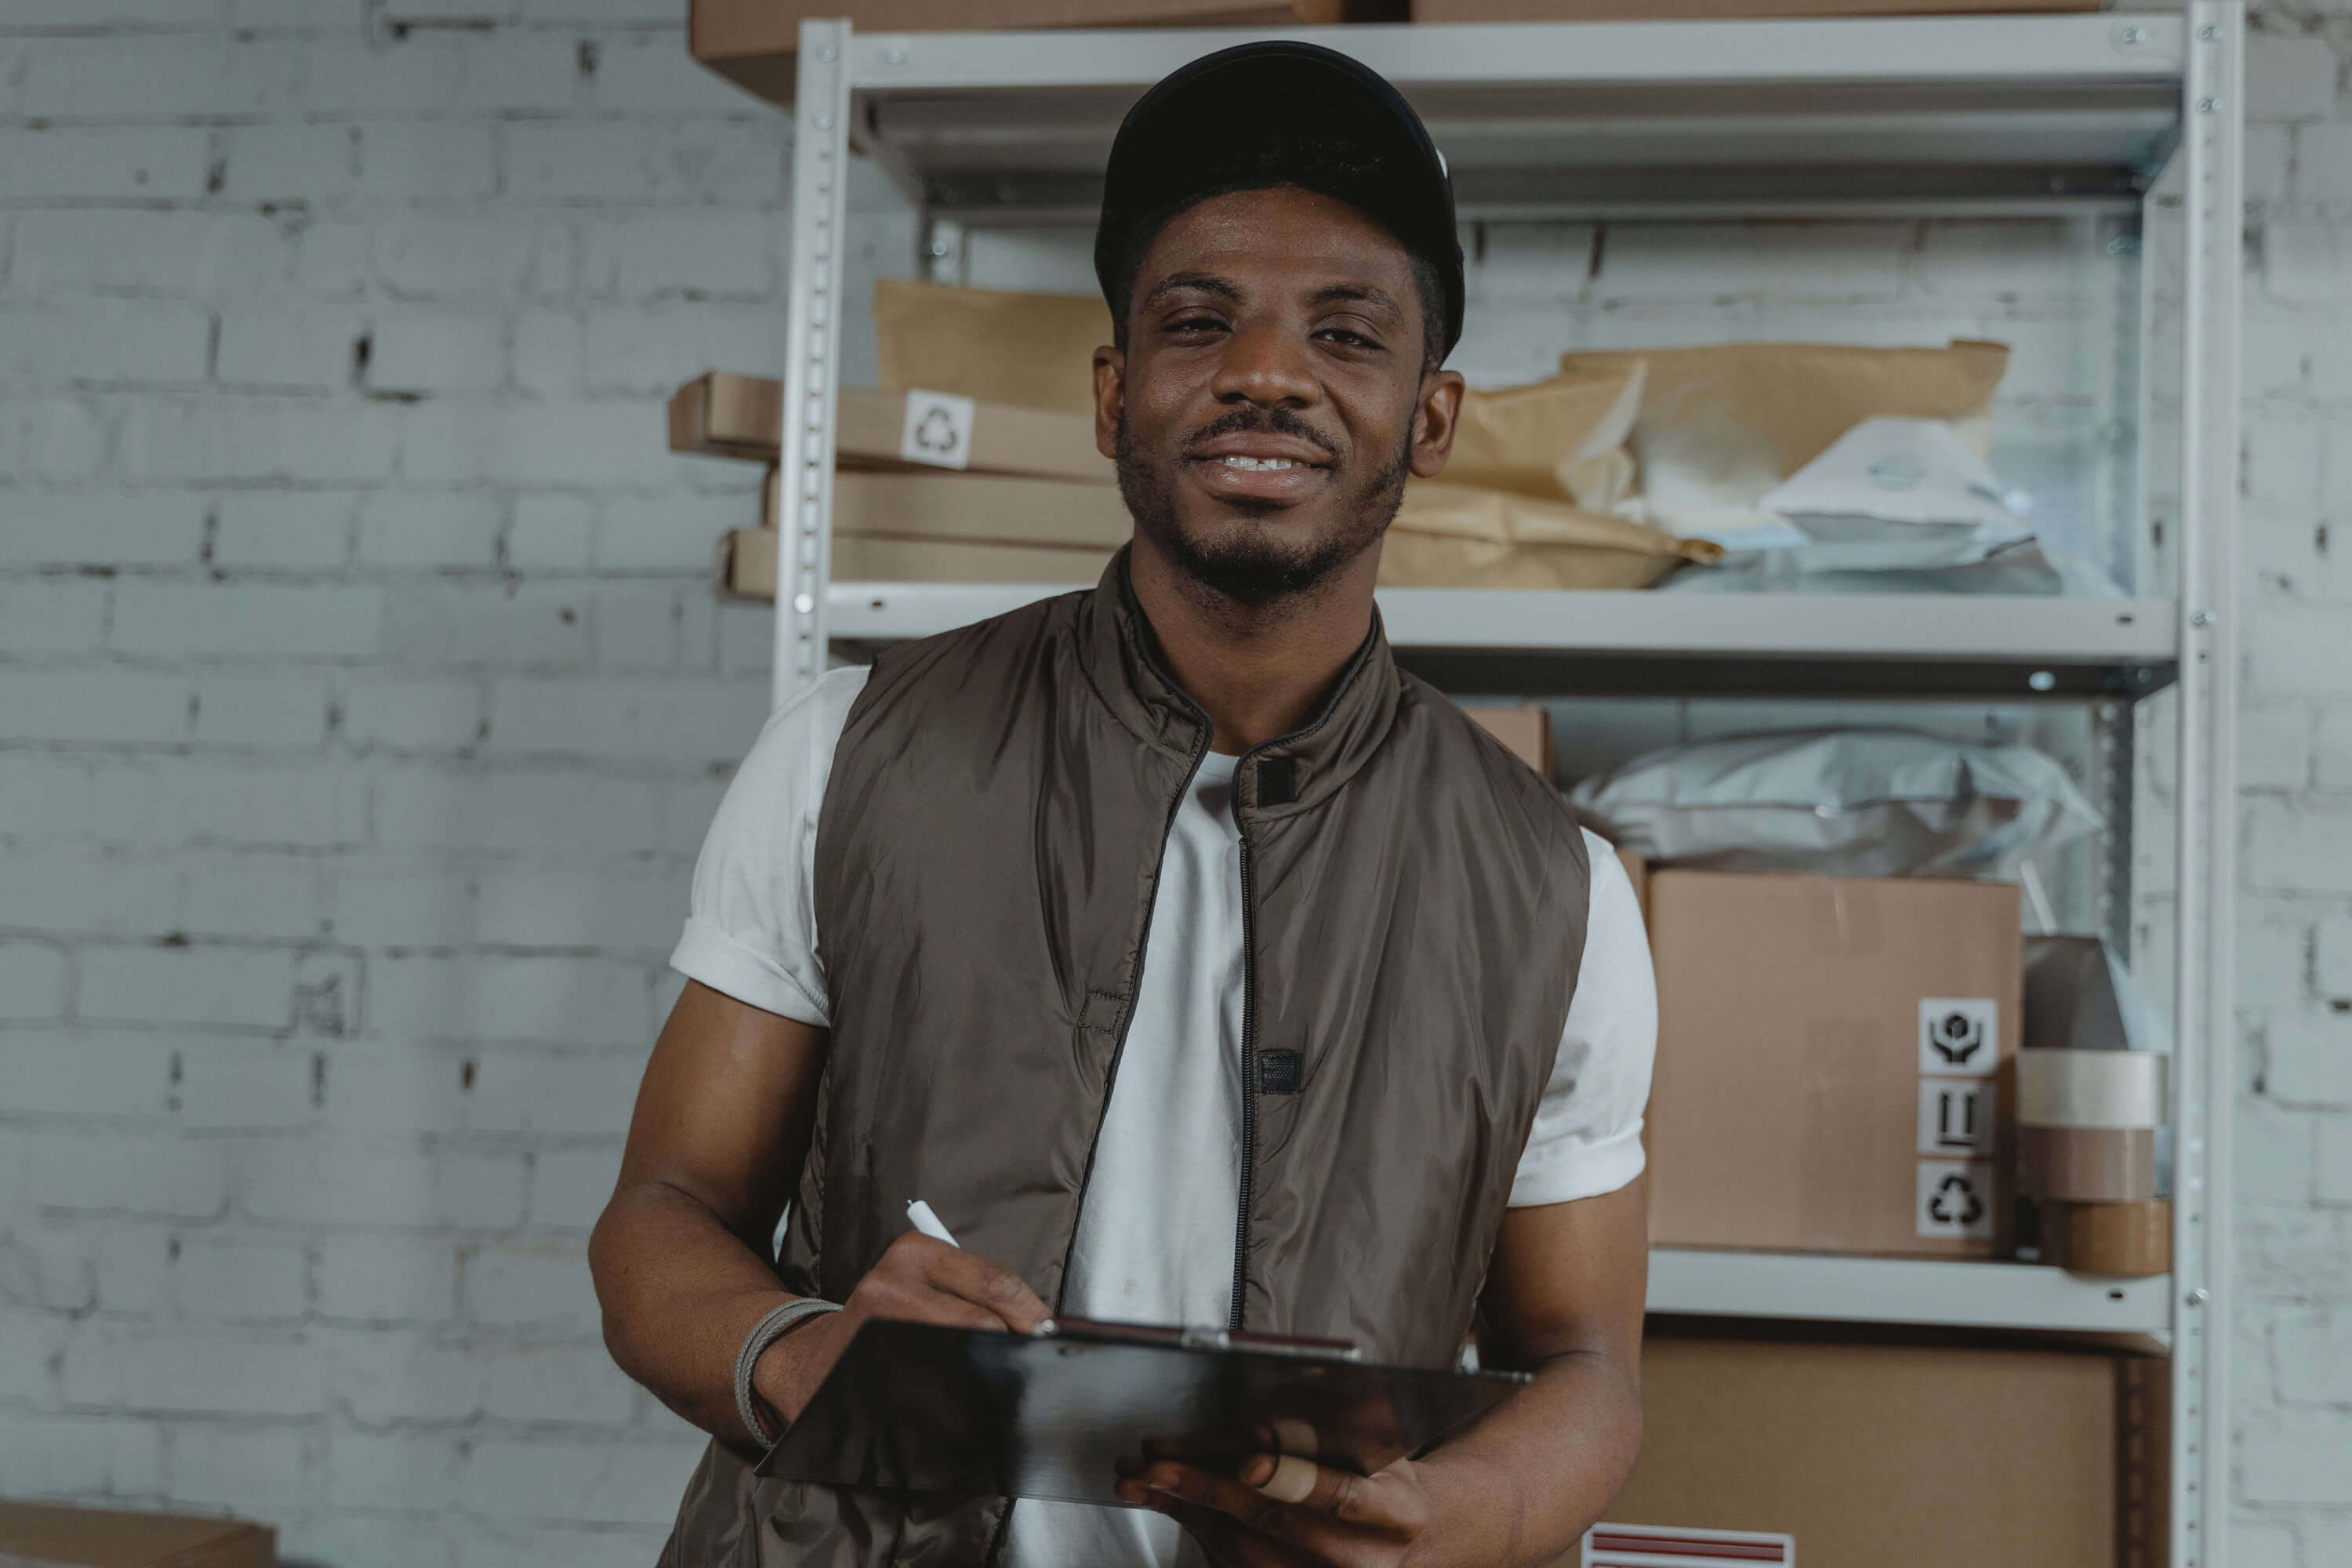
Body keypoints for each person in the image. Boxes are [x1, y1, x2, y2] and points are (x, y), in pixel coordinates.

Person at [591, 40, 1657, 1568]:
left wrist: (1474, 1514)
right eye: (1198, 320)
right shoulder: (851, 753)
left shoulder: (1556, 891)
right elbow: (661, 1213)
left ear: (1431, 416)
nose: (1266, 374)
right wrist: (794, 1350)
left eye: (1345, 334)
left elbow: (1590, 1363)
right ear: (1113, 393)